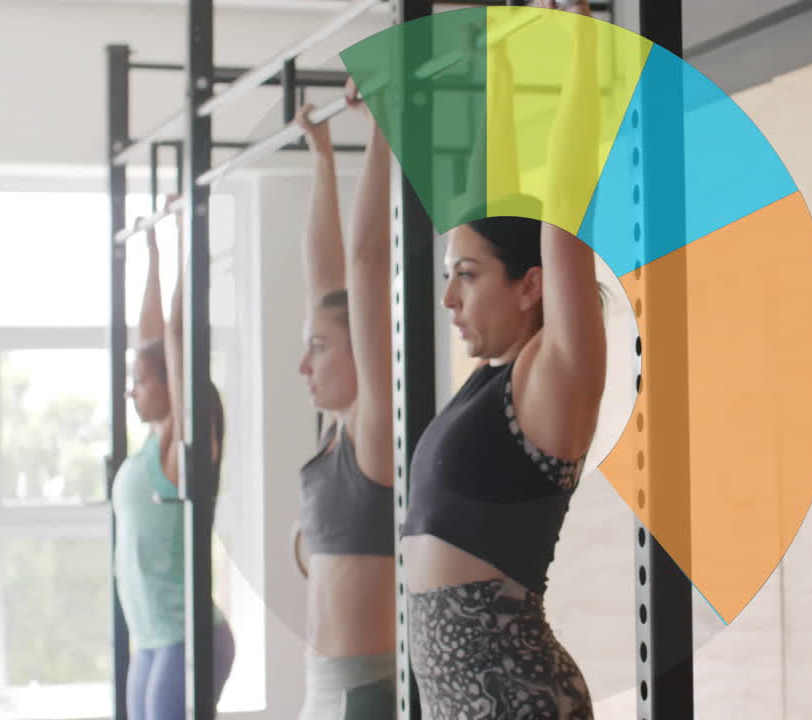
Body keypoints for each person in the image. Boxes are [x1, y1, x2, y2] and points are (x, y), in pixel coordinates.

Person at [395, 1, 606, 717]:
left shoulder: (555, 372)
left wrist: (573, 54)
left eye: (469, 274)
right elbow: (498, 191)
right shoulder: (486, 382)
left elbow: (562, 197)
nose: (449, 297)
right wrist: (504, 64)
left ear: (532, 285)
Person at [290, 76, 398, 720]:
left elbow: (364, 263)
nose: (304, 365)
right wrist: (323, 160)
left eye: (320, 350)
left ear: (362, 348)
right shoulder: (334, 434)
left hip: (363, 694)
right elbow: (324, 278)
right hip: (321, 688)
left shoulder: (375, 431)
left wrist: (381, 130)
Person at [114, 209, 235, 720]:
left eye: (140, 382)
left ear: (171, 383)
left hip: (186, 638)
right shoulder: (153, 442)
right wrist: (154, 254)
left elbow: (176, 338)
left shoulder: (182, 444)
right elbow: (151, 337)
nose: (131, 390)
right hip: (150, 640)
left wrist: (188, 237)